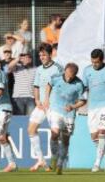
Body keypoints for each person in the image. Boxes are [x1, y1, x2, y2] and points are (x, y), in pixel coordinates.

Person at [45, 63, 86, 175]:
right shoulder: (56, 77)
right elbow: (48, 85)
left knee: (65, 140)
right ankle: (54, 157)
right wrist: (46, 99)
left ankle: (59, 165)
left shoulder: (79, 84)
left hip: (69, 114)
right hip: (55, 109)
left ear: (75, 75)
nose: (68, 78)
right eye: (67, 74)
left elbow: (83, 101)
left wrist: (73, 106)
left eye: (71, 76)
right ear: (65, 71)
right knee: (55, 133)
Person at [27, 43, 63, 171]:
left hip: (53, 105)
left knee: (55, 133)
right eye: (40, 55)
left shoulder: (58, 68)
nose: (41, 57)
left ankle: (54, 159)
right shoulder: (39, 69)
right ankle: (41, 160)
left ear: (50, 54)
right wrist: (37, 100)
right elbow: (36, 86)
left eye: (44, 55)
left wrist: (52, 100)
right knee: (31, 129)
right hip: (41, 105)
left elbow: (61, 86)